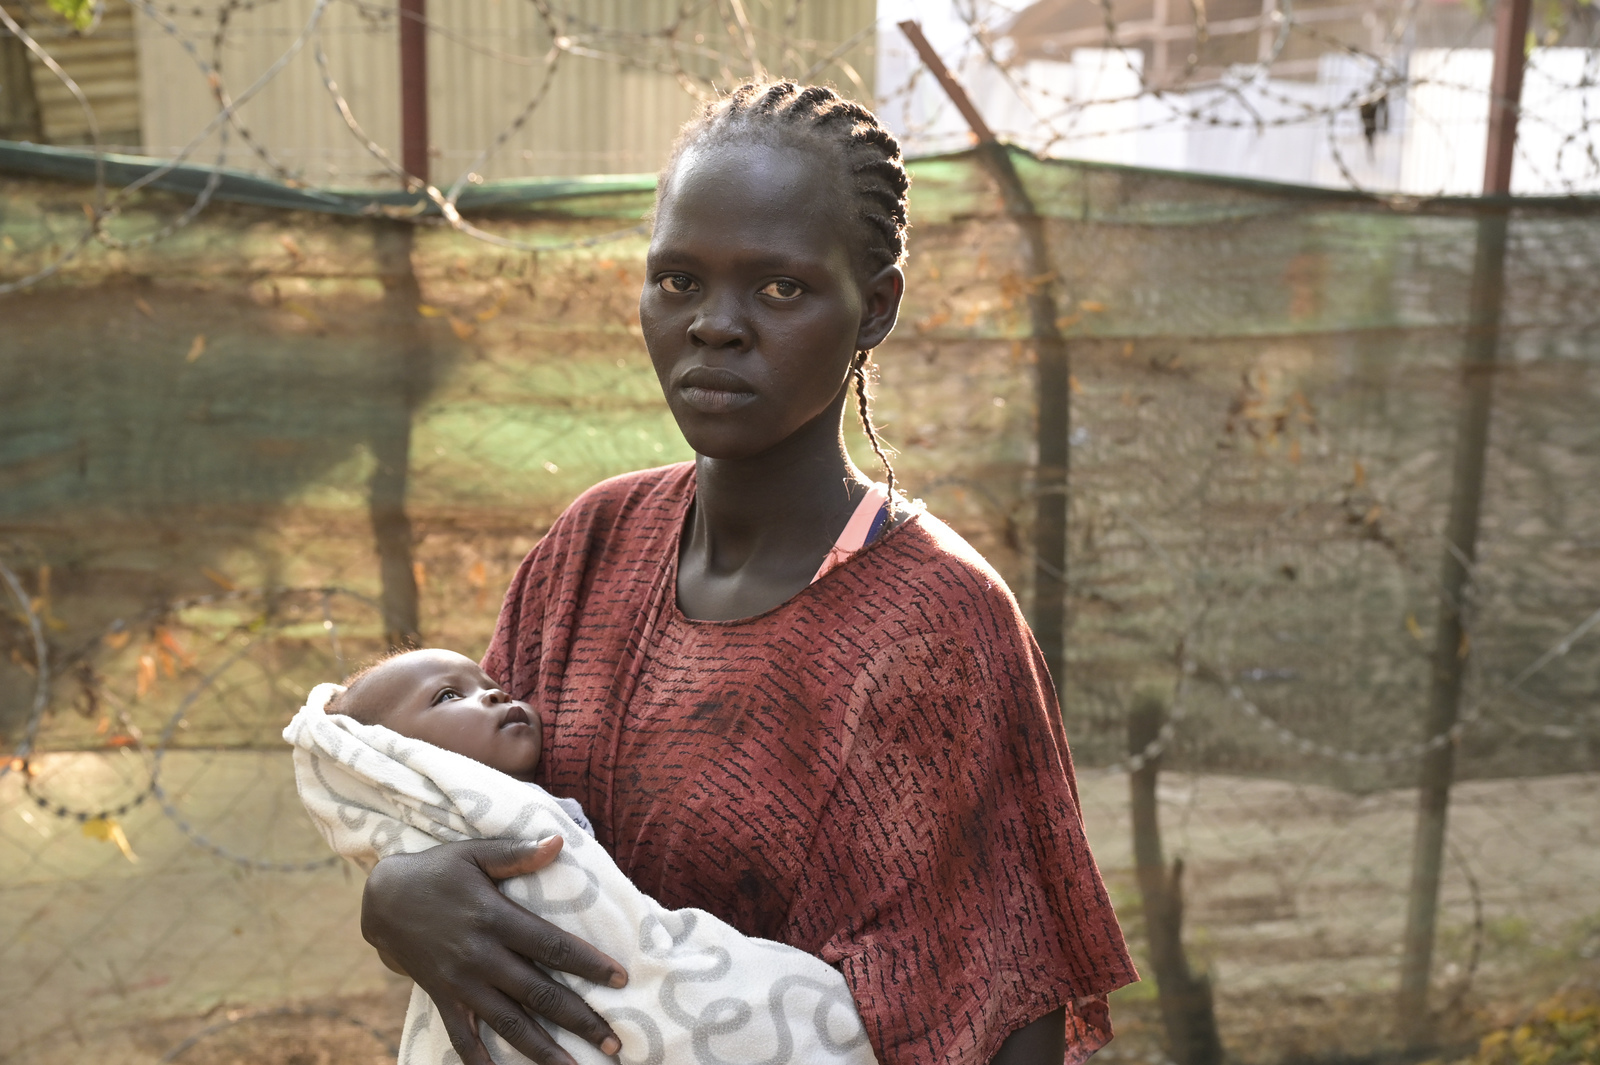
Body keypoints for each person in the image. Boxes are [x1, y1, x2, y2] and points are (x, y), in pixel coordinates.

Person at [359, 80, 1136, 1065]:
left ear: (875, 308)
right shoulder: (591, 552)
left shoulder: (937, 626)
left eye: (779, 289)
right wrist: (398, 897)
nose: (714, 325)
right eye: (678, 280)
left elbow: (1008, 1011)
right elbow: (464, 811)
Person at [284, 648, 877, 1065]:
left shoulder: (524, 803)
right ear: (393, 758)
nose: (495, 692)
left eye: (487, 680)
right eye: (447, 696)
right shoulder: (492, 826)